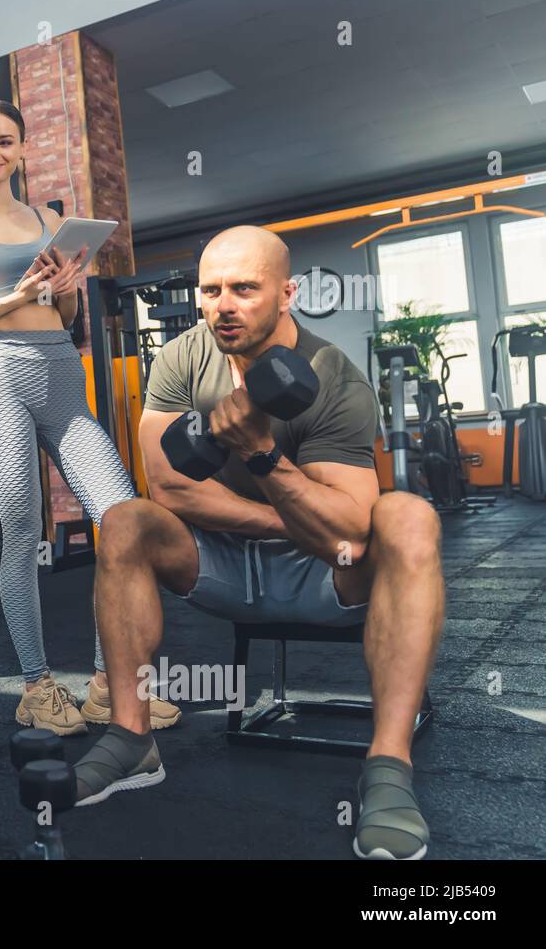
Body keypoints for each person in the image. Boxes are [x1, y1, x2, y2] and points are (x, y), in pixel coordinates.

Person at [73, 224, 442, 860]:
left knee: (408, 516)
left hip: (323, 575)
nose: (224, 305)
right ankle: (132, 739)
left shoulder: (335, 377)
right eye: (211, 290)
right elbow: (167, 486)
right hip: (218, 562)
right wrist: (284, 519)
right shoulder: (183, 357)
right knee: (126, 518)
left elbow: (351, 530)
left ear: (286, 293)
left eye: (245, 288)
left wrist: (262, 455)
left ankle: (388, 768)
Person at [0, 99, 180, 736]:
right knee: (21, 530)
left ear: (21, 149)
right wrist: (14, 295)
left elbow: (65, 321)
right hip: (2, 376)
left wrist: (63, 292)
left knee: (118, 517)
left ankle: (106, 684)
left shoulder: (50, 218)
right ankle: (37, 687)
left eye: (5, 142)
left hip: (63, 371)